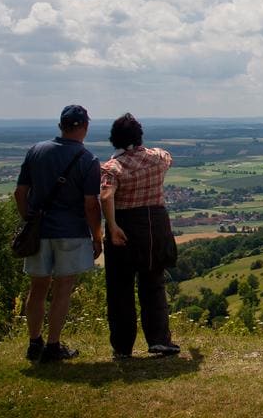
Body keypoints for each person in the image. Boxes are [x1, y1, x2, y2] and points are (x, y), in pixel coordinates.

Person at [14, 105, 103, 363]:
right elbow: (90, 204)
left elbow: (20, 193)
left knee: (37, 287)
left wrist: (29, 220)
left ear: (60, 126)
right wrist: (97, 236)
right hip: (71, 233)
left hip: (39, 231)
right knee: (63, 289)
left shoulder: (36, 151)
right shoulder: (88, 160)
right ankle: (53, 346)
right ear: (85, 127)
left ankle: (34, 343)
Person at [100, 113, 179, 358]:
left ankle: (123, 348)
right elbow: (168, 157)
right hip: (155, 224)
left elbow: (105, 196)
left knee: (120, 288)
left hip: (125, 224)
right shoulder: (157, 158)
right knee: (153, 282)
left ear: (115, 139)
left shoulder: (112, 167)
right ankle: (159, 340)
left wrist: (112, 227)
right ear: (139, 136)